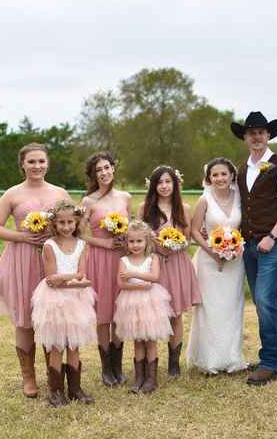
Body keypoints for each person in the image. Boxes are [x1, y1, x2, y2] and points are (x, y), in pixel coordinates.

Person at [0, 143, 71, 398]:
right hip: (21, 259)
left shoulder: (60, 192)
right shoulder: (12, 194)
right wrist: (22, 236)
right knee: (24, 319)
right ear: (22, 164)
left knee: (52, 317)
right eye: (31, 162)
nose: (37, 166)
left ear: (48, 163)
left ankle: (52, 373)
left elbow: (74, 224)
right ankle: (28, 377)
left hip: (53, 259)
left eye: (41, 161)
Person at [231, 111, 277, 386]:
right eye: (251, 132)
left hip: (274, 243)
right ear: (246, 137)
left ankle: (270, 361)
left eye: (261, 132)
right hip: (248, 244)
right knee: (266, 302)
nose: (256, 137)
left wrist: (273, 235)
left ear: (268, 135)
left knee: (263, 300)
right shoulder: (242, 169)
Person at [137, 165, 201, 377]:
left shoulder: (183, 207)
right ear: (153, 186)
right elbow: (138, 238)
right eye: (160, 182)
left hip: (176, 263)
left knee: (175, 314)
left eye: (168, 182)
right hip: (153, 263)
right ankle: (150, 361)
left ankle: (174, 363)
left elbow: (187, 239)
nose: (164, 186)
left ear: (175, 184)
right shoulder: (144, 208)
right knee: (153, 314)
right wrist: (156, 244)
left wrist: (173, 243)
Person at [31, 200, 97, 407]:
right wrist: (74, 277)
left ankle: (75, 389)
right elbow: (51, 279)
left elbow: (82, 274)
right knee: (58, 345)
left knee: (74, 345)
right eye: (62, 223)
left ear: (77, 222)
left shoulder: (82, 245)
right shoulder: (50, 246)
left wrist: (71, 278)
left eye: (70, 222)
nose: (66, 226)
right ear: (54, 224)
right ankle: (55, 391)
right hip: (55, 301)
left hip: (77, 300)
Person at [187, 158, 248, 375]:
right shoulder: (204, 200)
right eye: (215, 175)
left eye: (224, 174)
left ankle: (232, 357)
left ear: (232, 175)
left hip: (235, 262)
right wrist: (212, 251)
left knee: (232, 307)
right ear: (209, 178)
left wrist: (235, 248)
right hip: (209, 261)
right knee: (210, 309)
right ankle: (209, 359)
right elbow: (194, 231)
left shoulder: (240, 197)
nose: (220, 178)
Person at [80, 152, 132, 387]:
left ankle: (118, 367)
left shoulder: (125, 197)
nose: (104, 172)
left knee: (119, 311)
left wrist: (126, 238)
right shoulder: (88, 201)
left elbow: (131, 225)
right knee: (103, 314)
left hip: (121, 258)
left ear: (113, 169)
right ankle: (106, 369)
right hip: (100, 258)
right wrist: (106, 243)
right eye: (99, 170)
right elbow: (80, 233)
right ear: (93, 174)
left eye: (107, 167)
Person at [113, 220, 174, 393]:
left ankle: (151, 379)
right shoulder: (124, 260)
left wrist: (133, 274)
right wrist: (140, 284)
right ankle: (139, 377)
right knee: (138, 340)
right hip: (131, 302)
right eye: (131, 241)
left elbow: (154, 277)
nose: (135, 245)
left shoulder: (152, 258)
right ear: (126, 242)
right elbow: (121, 284)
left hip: (150, 302)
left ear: (147, 241)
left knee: (150, 340)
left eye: (139, 241)